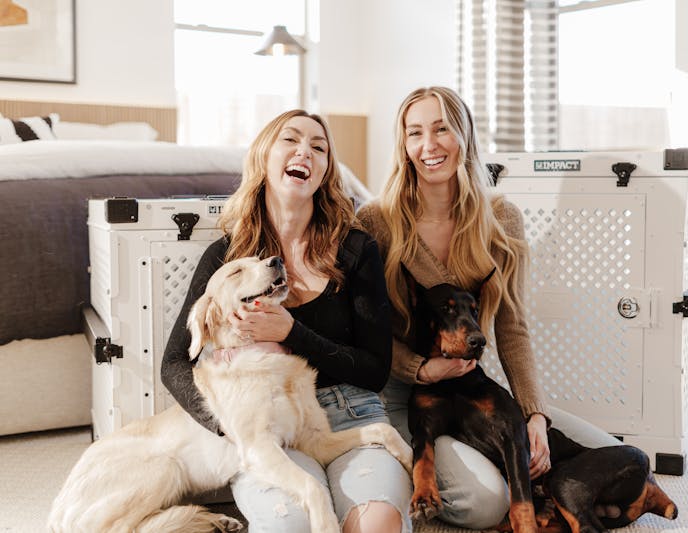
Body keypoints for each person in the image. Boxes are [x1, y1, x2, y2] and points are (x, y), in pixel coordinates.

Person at [356, 86, 622, 530]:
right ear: (403, 144)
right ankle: (404, 478)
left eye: (442, 129)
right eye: (415, 132)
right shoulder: (376, 221)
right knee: (487, 503)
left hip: (469, 386)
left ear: (465, 135)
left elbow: (513, 327)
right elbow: (365, 329)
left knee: (606, 457)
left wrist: (534, 414)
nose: (429, 145)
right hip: (404, 395)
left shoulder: (501, 218)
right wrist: (421, 369)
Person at [161, 109, 412, 533]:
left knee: (375, 524)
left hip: (350, 411)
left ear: (326, 170)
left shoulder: (355, 249)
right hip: (265, 422)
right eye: (291, 140)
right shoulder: (226, 259)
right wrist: (230, 424)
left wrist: (292, 332)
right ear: (264, 156)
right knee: (293, 525)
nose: (305, 152)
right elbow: (173, 363)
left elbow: (375, 370)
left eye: (319, 147)